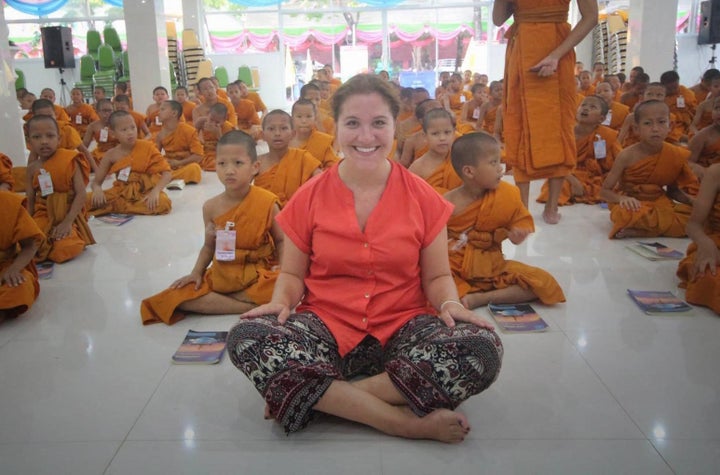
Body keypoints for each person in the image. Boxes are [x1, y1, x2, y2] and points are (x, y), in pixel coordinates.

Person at [227, 74, 503, 442]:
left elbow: (436, 279)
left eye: (378, 124)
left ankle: (315, 397)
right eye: (353, 123)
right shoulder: (309, 196)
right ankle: (400, 421)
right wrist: (280, 302)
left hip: (402, 322)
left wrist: (450, 303)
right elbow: (292, 275)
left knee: (484, 347)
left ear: (395, 126)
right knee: (247, 336)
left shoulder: (423, 197)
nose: (366, 137)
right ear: (336, 127)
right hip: (327, 323)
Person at [140, 131, 283, 325]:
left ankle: (228, 302)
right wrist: (196, 273)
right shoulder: (210, 207)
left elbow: (282, 240)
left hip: (257, 273)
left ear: (255, 167)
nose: (229, 170)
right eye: (222, 164)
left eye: (238, 163)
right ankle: (247, 306)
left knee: (287, 285)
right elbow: (208, 247)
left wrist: (282, 267)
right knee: (174, 296)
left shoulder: (267, 201)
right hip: (224, 274)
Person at [494, 0, 598, 225]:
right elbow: (497, 20)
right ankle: (522, 209)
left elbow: (591, 17)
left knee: (559, 126)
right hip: (522, 50)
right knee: (520, 125)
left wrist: (556, 55)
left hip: (558, 47)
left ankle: (552, 206)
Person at [445, 133, 565, 309]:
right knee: (433, 287)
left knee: (542, 282)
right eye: (493, 163)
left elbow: (521, 219)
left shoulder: (507, 194)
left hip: (494, 266)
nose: (501, 169)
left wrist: (518, 234)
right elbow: (433, 242)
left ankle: (482, 298)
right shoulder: (446, 203)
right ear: (469, 171)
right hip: (458, 267)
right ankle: (473, 293)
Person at [600, 100, 698, 239]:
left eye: (661, 122)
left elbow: (673, 191)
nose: (655, 128)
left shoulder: (675, 154)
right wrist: (622, 198)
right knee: (624, 214)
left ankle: (644, 231)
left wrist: (693, 202)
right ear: (636, 129)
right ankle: (656, 229)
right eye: (647, 123)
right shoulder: (626, 155)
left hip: (659, 203)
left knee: (697, 218)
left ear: (670, 126)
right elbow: (604, 192)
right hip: (632, 204)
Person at [25, 115, 95, 263]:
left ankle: (57, 243)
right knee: (27, 244)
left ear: (59, 138)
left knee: (67, 248)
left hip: (68, 212)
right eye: (37, 137)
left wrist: (68, 222)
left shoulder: (69, 159)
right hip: (44, 213)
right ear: (29, 142)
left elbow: (81, 194)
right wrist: (28, 227)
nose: (44, 141)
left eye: (50, 136)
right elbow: (30, 199)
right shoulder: (32, 168)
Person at [537, 95, 620, 205]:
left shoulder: (606, 135)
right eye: (583, 105)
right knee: (555, 187)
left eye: (592, 107)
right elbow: (552, 161)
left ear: (601, 119)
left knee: (617, 187)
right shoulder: (564, 132)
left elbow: (620, 163)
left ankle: (582, 193)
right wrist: (573, 181)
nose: (585, 108)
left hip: (596, 178)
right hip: (567, 174)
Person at [88, 110, 172, 216]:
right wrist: (97, 190)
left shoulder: (147, 146)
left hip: (145, 191)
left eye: (133, 127)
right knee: (86, 201)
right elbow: (96, 182)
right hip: (121, 192)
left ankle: (118, 207)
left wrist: (155, 192)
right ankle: (122, 206)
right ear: (113, 133)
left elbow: (167, 174)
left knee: (163, 203)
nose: (130, 132)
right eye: (124, 130)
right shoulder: (111, 154)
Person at [253, 110, 322, 207]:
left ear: (293, 134)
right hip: (264, 216)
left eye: (283, 128)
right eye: (271, 129)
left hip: (297, 215)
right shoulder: (257, 163)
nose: (277, 133)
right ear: (263, 135)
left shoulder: (303, 158)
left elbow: (322, 182)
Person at [676, 163, 720, 314]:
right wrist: (706, 243)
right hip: (716, 246)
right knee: (707, 276)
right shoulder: (716, 172)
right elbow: (693, 225)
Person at [0, 191, 44, 322]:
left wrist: (14, 269)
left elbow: (30, 245)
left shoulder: (9, 203)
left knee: (21, 287)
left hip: (5, 267)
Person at [30, 99, 95, 173]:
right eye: (42, 117)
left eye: (50, 116)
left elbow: (83, 150)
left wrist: (97, 170)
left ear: (55, 114)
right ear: (34, 118)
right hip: (46, 168)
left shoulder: (66, 129)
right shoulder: (35, 133)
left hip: (68, 166)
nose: (47, 120)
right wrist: (29, 174)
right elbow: (33, 155)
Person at [408, 108, 462, 194]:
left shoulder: (462, 158)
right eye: (435, 134)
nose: (442, 138)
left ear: (454, 132)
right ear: (425, 136)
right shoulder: (418, 167)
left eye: (447, 132)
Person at [153, 100, 203, 184]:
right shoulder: (160, 135)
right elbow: (155, 156)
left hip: (185, 164)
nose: (158, 113)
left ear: (174, 113)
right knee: (152, 172)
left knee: (194, 168)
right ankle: (168, 178)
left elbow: (198, 156)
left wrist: (179, 163)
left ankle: (166, 179)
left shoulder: (188, 130)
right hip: (169, 166)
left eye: (162, 109)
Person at [289, 98, 339, 170]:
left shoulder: (323, 141)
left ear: (315, 118)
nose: (304, 121)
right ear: (292, 119)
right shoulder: (286, 140)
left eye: (309, 116)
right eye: (299, 116)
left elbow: (333, 165)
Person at [687, 96, 720, 181]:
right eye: (717, 108)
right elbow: (687, 161)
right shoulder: (703, 136)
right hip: (707, 178)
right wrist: (700, 170)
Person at [197, 102, 235, 171]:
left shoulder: (228, 127)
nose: (213, 123)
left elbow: (230, 148)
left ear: (224, 120)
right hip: (206, 152)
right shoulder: (201, 122)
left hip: (219, 153)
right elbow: (193, 138)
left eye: (217, 122)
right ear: (208, 114)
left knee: (218, 162)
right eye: (211, 119)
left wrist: (218, 134)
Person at [661, 70, 697, 140]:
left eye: (675, 87)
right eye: (670, 89)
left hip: (687, 123)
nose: (674, 90)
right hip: (670, 124)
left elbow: (695, 110)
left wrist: (686, 112)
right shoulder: (659, 96)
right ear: (663, 86)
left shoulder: (685, 92)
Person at [83, 98, 118, 166]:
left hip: (117, 152)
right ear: (97, 112)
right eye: (104, 111)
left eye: (110, 110)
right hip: (100, 154)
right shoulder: (93, 126)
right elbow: (84, 146)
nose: (107, 113)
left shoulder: (118, 123)